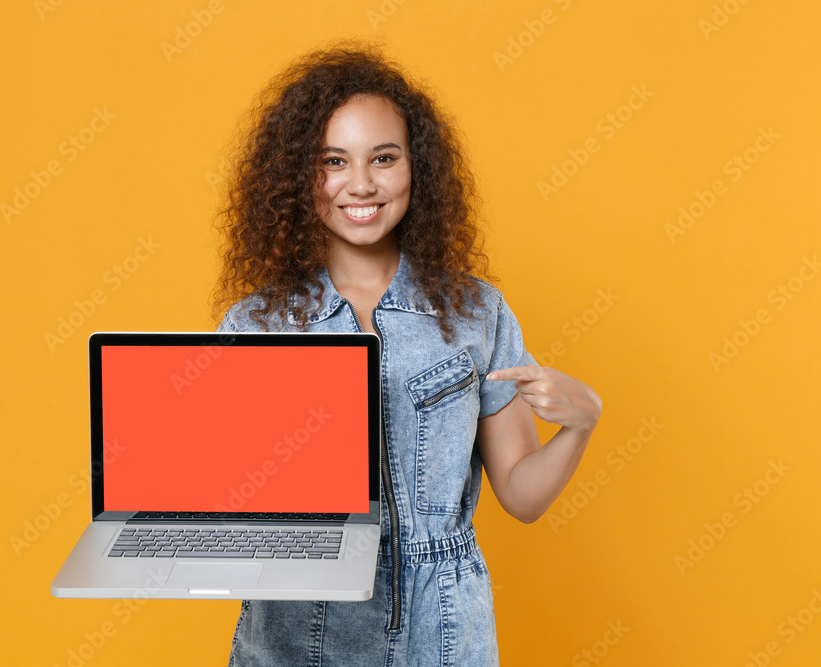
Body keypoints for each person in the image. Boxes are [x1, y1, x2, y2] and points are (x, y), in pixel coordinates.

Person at [211, 42, 602, 667]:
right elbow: (229, 503)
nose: (361, 183)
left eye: (383, 158)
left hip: (443, 630)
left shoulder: (475, 312)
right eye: (332, 161)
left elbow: (523, 498)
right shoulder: (257, 324)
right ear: (295, 178)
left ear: (416, 169)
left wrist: (582, 423)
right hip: (294, 633)